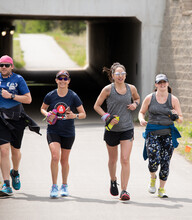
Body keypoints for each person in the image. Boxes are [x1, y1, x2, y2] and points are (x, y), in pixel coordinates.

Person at [94, 62, 140, 201]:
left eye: (123, 74)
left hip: (127, 128)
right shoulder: (108, 90)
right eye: (118, 74)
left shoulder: (131, 88)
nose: (120, 76)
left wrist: (135, 104)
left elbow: (137, 98)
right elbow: (96, 106)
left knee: (125, 159)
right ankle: (113, 180)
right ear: (113, 76)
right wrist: (107, 117)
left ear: (125, 75)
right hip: (111, 130)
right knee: (113, 160)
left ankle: (124, 190)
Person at [41, 70, 86, 198]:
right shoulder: (50, 95)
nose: (62, 81)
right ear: (56, 80)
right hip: (53, 130)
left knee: (64, 160)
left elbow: (83, 114)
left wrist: (74, 115)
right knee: (55, 156)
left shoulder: (73, 96)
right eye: (60, 78)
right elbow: (42, 108)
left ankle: (64, 185)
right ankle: (54, 186)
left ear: (69, 81)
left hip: (68, 131)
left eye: (65, 79)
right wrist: (48, 114)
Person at [138, 73, 183, 198]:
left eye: (164, 82)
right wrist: (141, 119)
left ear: (168, 84)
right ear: (156, 85)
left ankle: (162, 189)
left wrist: (176, 117)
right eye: (159, 82)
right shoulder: (149, 98)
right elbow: (141, 112)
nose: (162, 85)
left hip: (167, 134)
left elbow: (181, 119)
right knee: (153, 159)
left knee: (165, 162)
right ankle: (153, 178)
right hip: (152, 133)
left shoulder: (173, 99)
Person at [0, 55, 36, 197]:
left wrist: (11, 96)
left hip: (16, 118)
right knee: (3, 150)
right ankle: (6, 184)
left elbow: (28, 99)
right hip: (1, 118)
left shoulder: (18, 79)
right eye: (1, 65)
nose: (3, 67)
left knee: (15, 151)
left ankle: (15, 171)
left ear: (12, 67)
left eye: (6, 65)